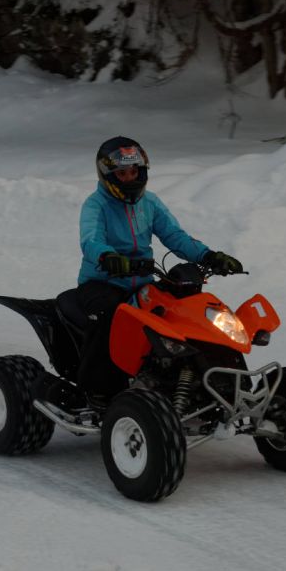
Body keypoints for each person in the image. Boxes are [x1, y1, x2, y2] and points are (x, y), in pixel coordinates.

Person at [74, 135, 243, 399]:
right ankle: (95, 392)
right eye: (122, 173)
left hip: (141, 282)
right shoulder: (96, 205)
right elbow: (91, 240)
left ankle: (186, 381)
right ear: (109, 175)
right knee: (109, 317)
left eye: (133, 171)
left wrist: (209, 256)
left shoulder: (149, 203)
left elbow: (175, 237)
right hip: (102, 282)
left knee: (180, 313)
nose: (129, 177)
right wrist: (109, 258)